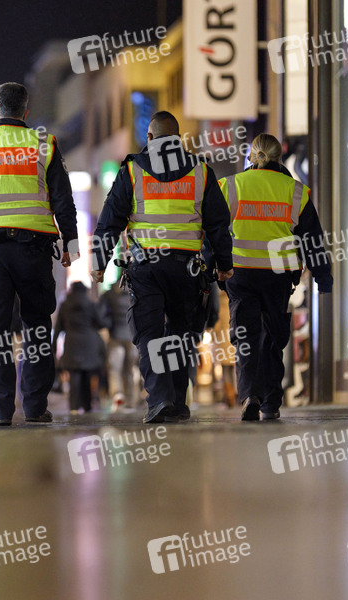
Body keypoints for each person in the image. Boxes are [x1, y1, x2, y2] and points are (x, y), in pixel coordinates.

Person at [0, 82, 78, 426]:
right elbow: (63, 200)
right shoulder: (44, 144)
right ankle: (34, 407)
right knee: (37, 327)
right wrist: (71, 244)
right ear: (26, 111)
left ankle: (1, 410)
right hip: (35, 249)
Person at [91, 111, 234, 424]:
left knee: (150, 333)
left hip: (147, 267)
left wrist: (99, 263)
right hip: (187, 269)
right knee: (182, 335)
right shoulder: (200, 170)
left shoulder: (132, 170)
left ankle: (160, 399)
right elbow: (218, 225)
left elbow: (109, 220)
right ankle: (178, 402)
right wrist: (224, 265)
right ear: (178, 138)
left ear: (150, 137)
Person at [218, 133, 333, 420]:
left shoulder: (231, 186)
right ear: (279, 158)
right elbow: (312, 240)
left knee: (245, 335)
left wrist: (215, 268)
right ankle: (270, 402)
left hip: (241, 273)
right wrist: (323, 277)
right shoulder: (295, 191)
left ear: (251, 156)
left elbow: (214, 231)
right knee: (272, 337)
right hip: (278, 275)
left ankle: (250, 396)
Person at [54, 281, 109, 414]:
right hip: (89, 343)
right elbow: (101, 323)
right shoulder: (91, 304)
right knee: (87, 375)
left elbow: (58, 327)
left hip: (71, 343)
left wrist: (54, 348)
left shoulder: (65, 305)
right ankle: (87, 406)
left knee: (74, 375)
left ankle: (73, 407)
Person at [100, 280, 140, 409]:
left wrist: (109, 324)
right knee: (129, 369)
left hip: (116, 336)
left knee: (115, 368)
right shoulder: (137, 291)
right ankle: (130, 399)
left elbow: (101, 315)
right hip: (131, 336)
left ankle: (118, 395)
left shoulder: (109, 293)